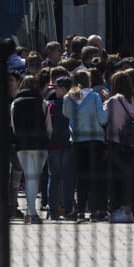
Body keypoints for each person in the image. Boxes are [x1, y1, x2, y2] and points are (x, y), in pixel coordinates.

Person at [63, 70, 109, 221]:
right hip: (94, 139)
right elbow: (102, 119)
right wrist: (106, 105)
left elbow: (67, 115)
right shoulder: (94, 96)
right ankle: (95, 210)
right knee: (95, 175)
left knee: (81, 177)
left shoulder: (68, 97)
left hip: (77, 140)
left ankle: (81, 210)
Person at [10, 76, 51, 224]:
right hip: (40, 144)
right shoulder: (42, 102)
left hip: (22, 145)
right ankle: (32, 211)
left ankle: (30, 211)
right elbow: (48, 126)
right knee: (35, 177)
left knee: (28, 177)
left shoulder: (15, 103)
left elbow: (14, 125)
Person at [103, 71, 134, 223]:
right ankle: (128, 209)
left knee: (115, 178)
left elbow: (103, 118)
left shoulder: (113, 101)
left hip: (115, 143)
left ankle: (116, 210)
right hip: (132, 145)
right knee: (128, 177)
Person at [45, 75, 75, 220]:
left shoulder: (50, 104)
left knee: (53, 178)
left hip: (53, 145)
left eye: (56, 87)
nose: (54, 90)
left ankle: (52, 211)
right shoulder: (74, 103)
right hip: (68, 144)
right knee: (67, 178)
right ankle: (68, 209)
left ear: (63, 89)